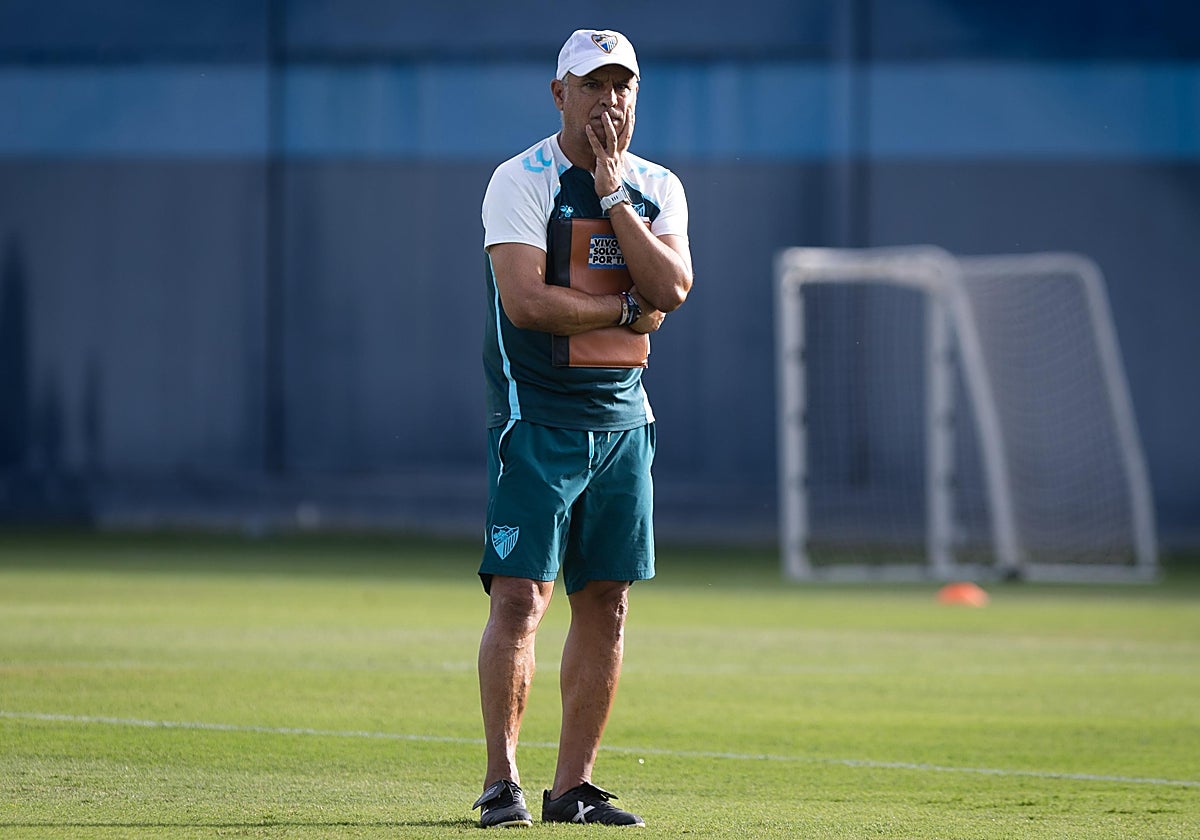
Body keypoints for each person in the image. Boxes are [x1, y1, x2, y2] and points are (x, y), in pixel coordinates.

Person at [472, 28, 693, 829]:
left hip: (624, 422)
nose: (610, 102)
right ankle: (502, 782)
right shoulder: (519, 179)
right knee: (522, 598)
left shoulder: (654, 183)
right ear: (558, 93)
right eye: (592, 86)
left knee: (608, 601)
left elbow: (672, 285)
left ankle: (574, 789)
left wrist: (610, 194)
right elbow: (528, 303)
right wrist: (626, 309)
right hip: (537, 420)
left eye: (622, 87)